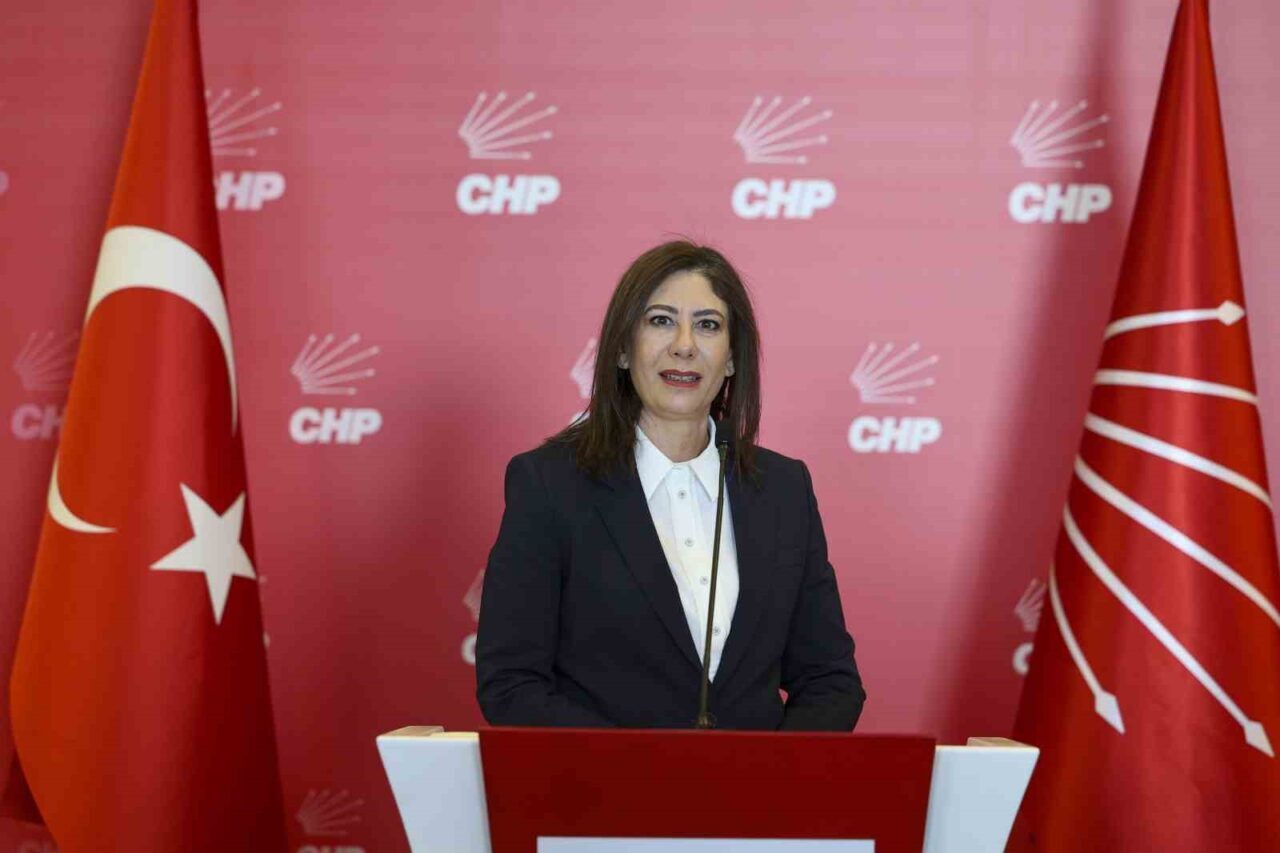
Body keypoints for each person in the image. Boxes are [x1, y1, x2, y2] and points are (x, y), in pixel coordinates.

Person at [476, 240, 865, 730]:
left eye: (708, 325)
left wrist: (773, 769)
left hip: (757, 781)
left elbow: (829, 680)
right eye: (661, 321)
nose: (684, 345)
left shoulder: (784, 490)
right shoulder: (550, 484)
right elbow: (511, 685)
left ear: (731, 358)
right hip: (603, 779)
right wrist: (641, 767)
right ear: (622, 349)